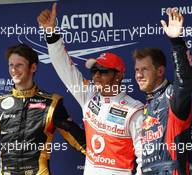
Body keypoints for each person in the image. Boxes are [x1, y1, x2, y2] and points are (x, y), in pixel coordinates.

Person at [37, 3, 144, 175]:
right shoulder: (89, 96)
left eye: (103, 71)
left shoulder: (134, 110)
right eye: (94, 71)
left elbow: (144, 160)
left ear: (118, 76)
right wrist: (51, 33)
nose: (96, 76)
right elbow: (64, 67)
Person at [0, 43, 86, 175]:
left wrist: (106, 153)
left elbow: (79, 141)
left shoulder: (51, 104)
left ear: (33, 67)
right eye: (11, 65)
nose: (13, 70)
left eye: (19, 65)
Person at [133, 9, 192, 175]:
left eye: (145, 69)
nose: (138, 75)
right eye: (137, 70)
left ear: (160, 71)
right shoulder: (147, 105)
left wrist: (176, 42)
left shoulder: (172, 97)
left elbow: (185, 81)